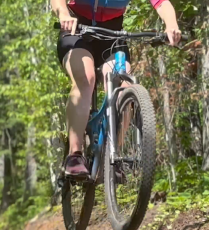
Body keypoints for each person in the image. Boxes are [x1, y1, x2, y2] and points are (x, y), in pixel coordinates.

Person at [51, 0, 182, 178]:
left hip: (112, 34)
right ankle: (74, 155)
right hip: (76, 30)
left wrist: (171, 25)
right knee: (85, 79)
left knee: (125, 86)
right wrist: (63, 14)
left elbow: (161, 3)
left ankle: (112, 155)